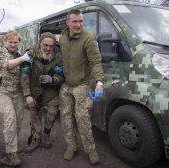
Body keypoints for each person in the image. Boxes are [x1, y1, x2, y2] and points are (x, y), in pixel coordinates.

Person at [59, 9, 104, 164]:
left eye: (81, 21)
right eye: (75, 21)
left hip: (81, 85)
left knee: (82, 119)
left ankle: (91, 151)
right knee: (65, 118)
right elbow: (61, 56)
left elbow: (96, 62)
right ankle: (71, 147)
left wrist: (99, 82)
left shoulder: (88, 39)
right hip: (66, 85)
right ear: (68, 22)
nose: (78, 25)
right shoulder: (63, 38)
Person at [20, 32, 64, 154]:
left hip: (51, 92)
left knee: (52, 114)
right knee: (35, 115)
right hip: (35, 91)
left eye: (51, 46)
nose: (48, 48)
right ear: (40, 43)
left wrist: (53, 79)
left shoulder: (59, 55)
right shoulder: (30, 54)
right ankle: (36, 137)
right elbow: (24, 75)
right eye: (45, 45)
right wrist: (27, 95)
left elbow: (62, 76)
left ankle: (46, 134)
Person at [0, 30, 31, 166]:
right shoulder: (1, 52)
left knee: (19, 120)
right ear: (5, 42)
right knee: (10, 119)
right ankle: (11, 153)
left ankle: (12, 143)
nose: (13, 45)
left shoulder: (19, 55)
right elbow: (6, 65)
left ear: (19, 43)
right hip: (2, 92)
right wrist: (23, 59)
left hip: (17, 93)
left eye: (16, 42)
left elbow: (24, 75)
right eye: (10, 42)